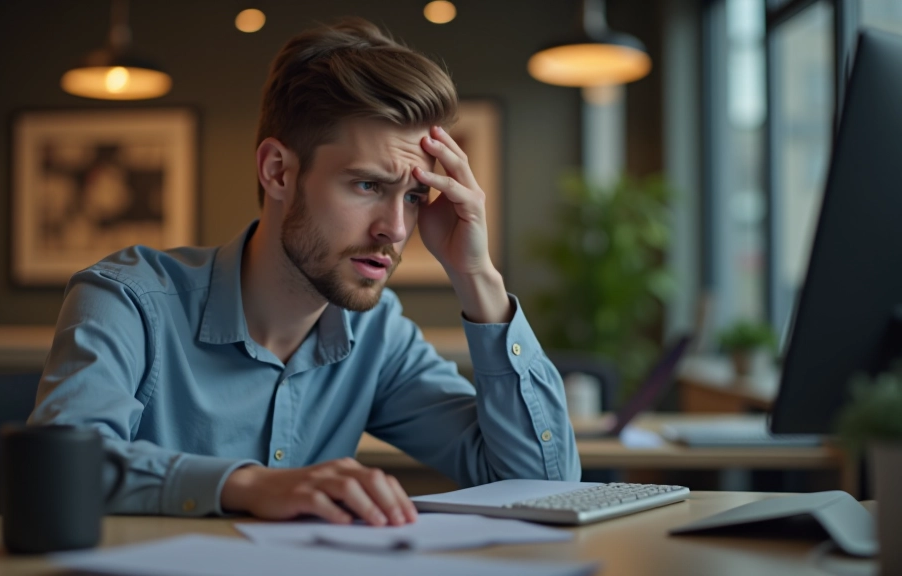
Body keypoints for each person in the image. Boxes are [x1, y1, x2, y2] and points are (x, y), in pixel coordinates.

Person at [29, 17, 580, 528]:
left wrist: (478, 277)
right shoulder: (128, 299)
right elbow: (59, 472)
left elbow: (546, 487)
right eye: (368, 185)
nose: (395, 228)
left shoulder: (375, 334)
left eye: (414, 196)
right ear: (278, 171)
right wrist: (248, 486)